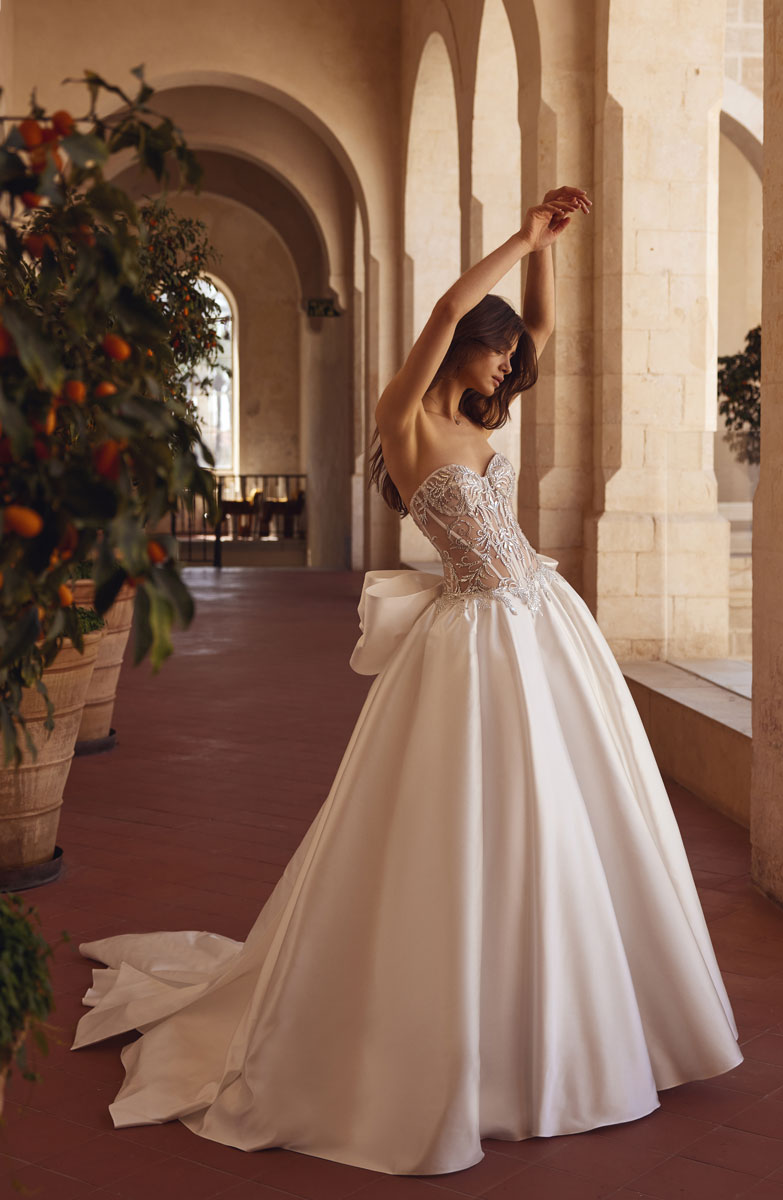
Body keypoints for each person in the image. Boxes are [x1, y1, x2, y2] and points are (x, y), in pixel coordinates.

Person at [72, 186, 743, 1177]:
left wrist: (548, 252)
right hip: (474, 636)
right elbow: (439, 318)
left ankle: (567, 1026)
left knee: (564, 818)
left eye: (511, 354)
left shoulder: (484, 413)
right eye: (494, 346)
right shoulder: (406, 425)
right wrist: (515, 238)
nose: (509, 362)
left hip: (545, 628)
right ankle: (464, 1035)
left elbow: (544, 327)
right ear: (460, 344)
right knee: (471, 821)